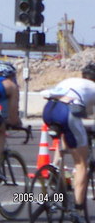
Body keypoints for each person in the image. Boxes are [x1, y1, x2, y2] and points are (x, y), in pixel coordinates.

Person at [41, 63, 95, 221]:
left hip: (49, 110)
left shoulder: (72, 81)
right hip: (68, 111)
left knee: (66, 134)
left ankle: (56, 167)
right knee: (81, 164)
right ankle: (77, 211)